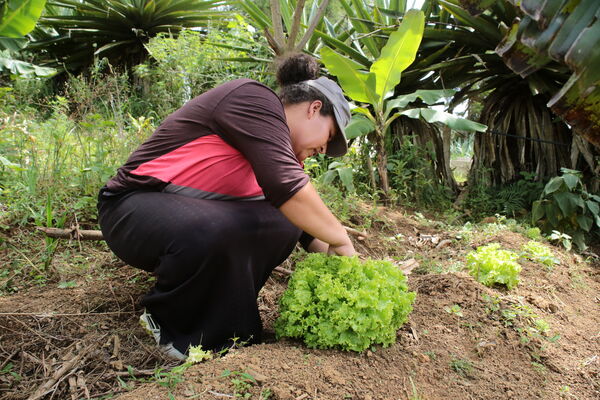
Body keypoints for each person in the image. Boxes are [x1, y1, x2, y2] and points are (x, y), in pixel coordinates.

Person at [97, 54, 356, 360]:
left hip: (191, 213)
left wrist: (342, 266)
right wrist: (341, 238)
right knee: (216, 228)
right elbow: (288, 187)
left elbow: (301, 221)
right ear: (314, 109)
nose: (324, 150)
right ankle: (169, 320)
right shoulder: (252, 98)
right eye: (329, 137)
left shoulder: (280, 152)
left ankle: (229, 330)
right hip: (130, 206)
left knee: (284, 222)